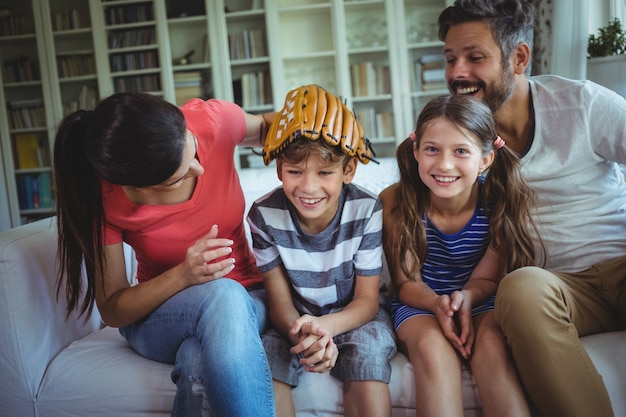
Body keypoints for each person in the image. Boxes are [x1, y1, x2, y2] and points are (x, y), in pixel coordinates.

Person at [438, 1, 626, 416]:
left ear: (519, 58)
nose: (457, 73)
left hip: (620, 263)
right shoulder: (460, 139)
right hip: (557, 291)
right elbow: (417, 201)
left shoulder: (582, 104)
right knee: (520, 287)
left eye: (474, 57)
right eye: (451, 59)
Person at [53, 92, 281, 417]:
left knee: (196, 357)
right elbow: (114, 310)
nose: (200, 169)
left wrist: (322, 120)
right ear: (140, 188)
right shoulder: (104, 199)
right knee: (223, 294)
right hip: (159, 318)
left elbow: (271, 126)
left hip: (249, 298)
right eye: (180, 175)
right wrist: (183, 275)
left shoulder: (210, 121)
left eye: (192, 148)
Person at [380, 94, 542, 417]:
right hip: (419, 303)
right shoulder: (397, 202)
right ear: (415, 151)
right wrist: (438, 304)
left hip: (479, 300)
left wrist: (464, 297)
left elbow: (487, 277)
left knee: (493, 349)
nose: (444, 164)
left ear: (485, 159)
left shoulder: (497, 201)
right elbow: (405, 283)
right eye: (432, 149)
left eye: (461, 151)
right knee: (432, 350)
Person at [246, 85, 397, 417]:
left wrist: (327, 327)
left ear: (349, 170)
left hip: (354, 315)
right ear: (279, 169)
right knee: (267, 358)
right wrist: (305, 331)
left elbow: (367, 301)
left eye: (324, 172)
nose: (308, 187)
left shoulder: (366, 209)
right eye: (295, 172)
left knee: (369, 351)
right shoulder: (263, 215)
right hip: (294, 319)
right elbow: (279, 303)